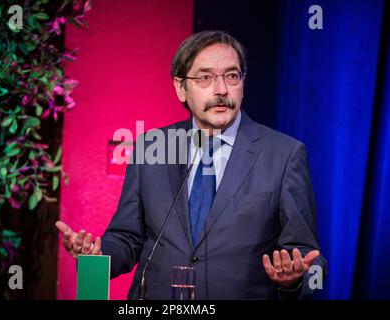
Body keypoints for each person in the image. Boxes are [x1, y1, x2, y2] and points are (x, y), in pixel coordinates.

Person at [56, 30, 327, 300]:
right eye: (205, 77)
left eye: (232, 76)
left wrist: (293, 280)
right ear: (180, 88)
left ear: (243, 83)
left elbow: (308, 256)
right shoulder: (152, 147)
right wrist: (98, 256)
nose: (221, 90)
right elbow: (127, 238)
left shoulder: (284, 154)